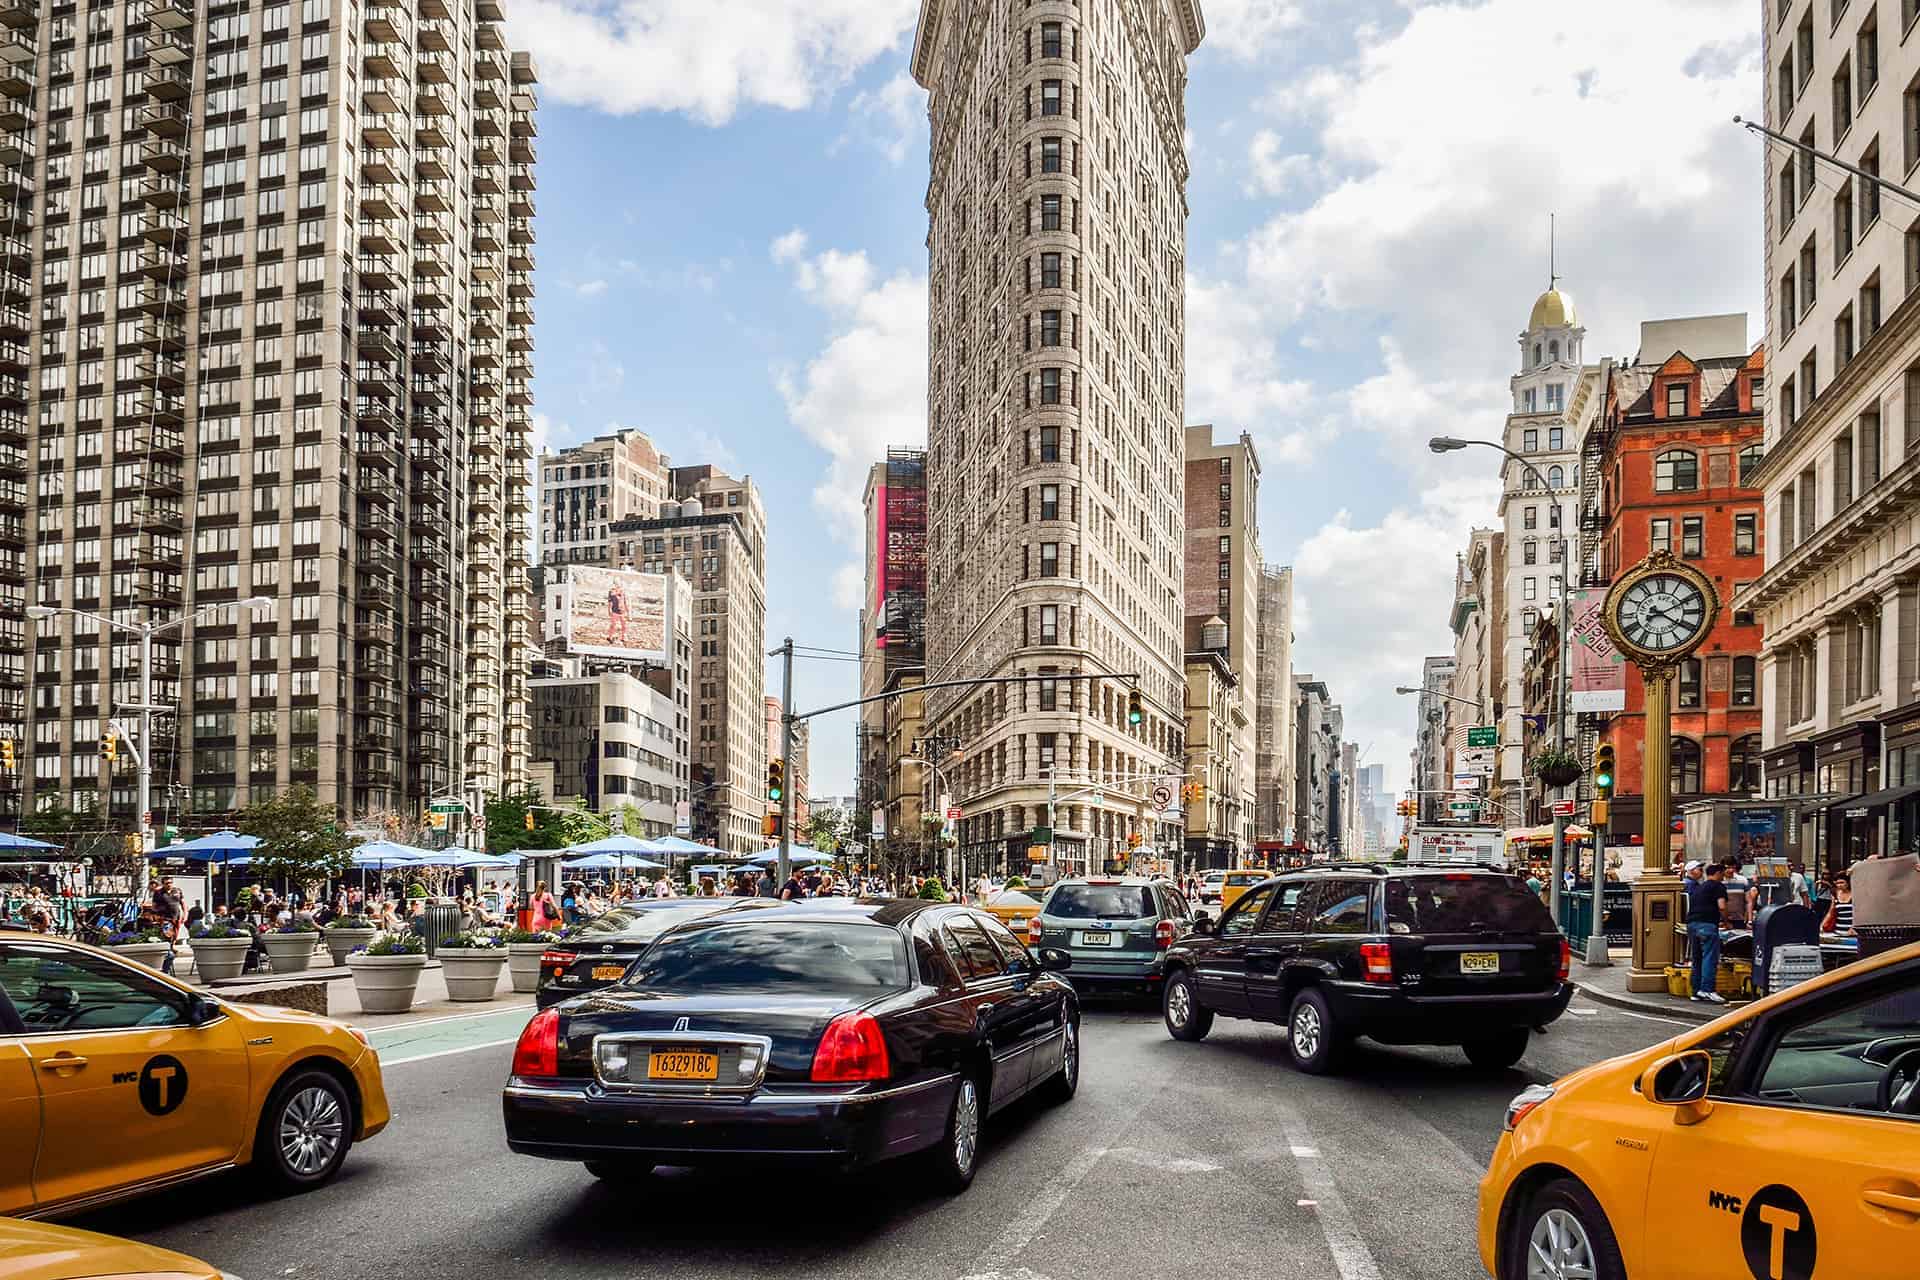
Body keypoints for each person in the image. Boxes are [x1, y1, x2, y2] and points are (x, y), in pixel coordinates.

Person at [1684, 861, 1729, 1005]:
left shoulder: (1700, 887)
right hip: (1707, 925)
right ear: (1718, 874)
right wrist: (1727, 921)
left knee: (1696, 958)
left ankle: (1696, 991)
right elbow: (1721, 906)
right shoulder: (1718, 886)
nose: (1723, 877)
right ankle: (1708, 989)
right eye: (1722, 874)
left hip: (1692, 924)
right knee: (1710, 957)